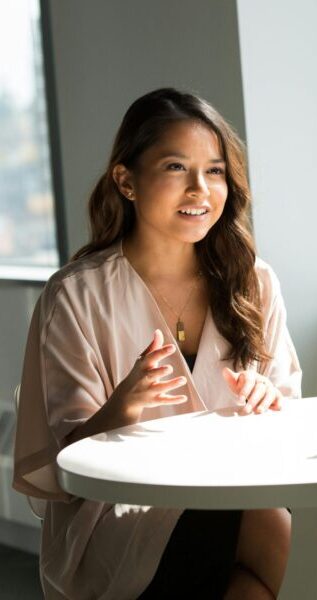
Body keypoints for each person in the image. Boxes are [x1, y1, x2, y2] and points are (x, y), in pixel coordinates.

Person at [13, 88, 301, 599]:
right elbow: (65, 466)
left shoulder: (254, 282)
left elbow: (288, 417)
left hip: (234, 493)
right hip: (116, 519)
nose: (200, 189)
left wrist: (269, 399)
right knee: (266, 523)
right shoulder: (76, 295)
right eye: (175, 168)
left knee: (266, 518)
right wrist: (119, 411)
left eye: (214, 171)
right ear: (126, 181)